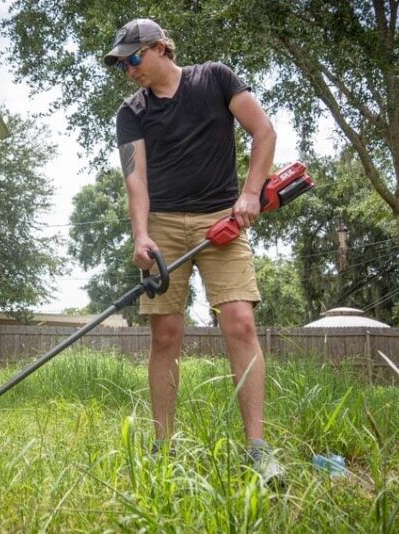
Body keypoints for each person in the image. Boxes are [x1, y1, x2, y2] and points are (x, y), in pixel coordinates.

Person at [104, 18, 284, 483]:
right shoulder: (131, 112)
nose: (129, 69)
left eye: (134, 58)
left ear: (161, 47)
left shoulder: (215, 79)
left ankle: (258, 451)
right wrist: (141, 235)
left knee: (240, 322)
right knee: (165, 335)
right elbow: (135, 179)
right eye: (122, 63)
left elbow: (263, 133)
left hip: (221, 220)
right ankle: (163, 449)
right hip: (162, 225)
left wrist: (250, 193)